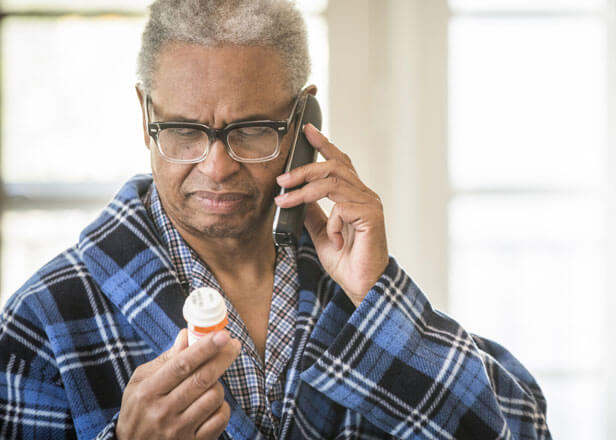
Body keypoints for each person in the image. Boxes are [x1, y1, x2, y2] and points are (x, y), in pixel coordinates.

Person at [0, 1, 551, 439]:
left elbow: (523, 429)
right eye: (184, 131)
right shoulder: (45, 318)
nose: (216, 167)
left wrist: (382, 297)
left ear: (302, 118)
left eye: (253, 129)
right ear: (145, 115)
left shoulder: (355, 290)